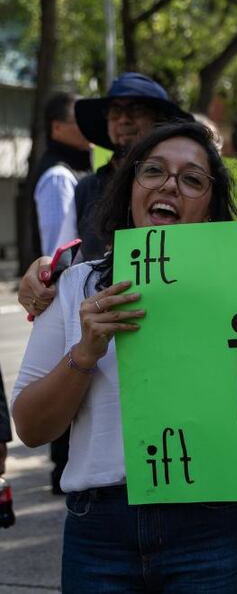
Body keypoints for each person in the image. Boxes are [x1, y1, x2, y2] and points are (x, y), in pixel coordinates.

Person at [12, 122, 237, 591]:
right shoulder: (72, 287)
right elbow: (30, 428)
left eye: (192, 179)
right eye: (154, 171)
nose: (170, 184)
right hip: (99, 532)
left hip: (213, 527)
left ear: (210, 207)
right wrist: (84, 353)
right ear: (130, 191)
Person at [25, 92, 93, 493]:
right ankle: (62, 470)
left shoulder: (67, 170)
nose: (86, 130)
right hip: (60, 298)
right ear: (57, 127)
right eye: (77, 120)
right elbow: (57, 249)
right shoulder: (58, 176)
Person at [73, 72, 194, 260]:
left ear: (160, 120)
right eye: (115, 111)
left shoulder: (182, 187)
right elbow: (67, 262)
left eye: (136, 110)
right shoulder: (87, 189)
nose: (123, 119)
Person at [30, 92, 92, 259]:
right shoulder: (58, 177)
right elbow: (59, 256)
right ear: (57, 127)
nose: (89, 126)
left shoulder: (77, 169)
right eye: (81, 120)